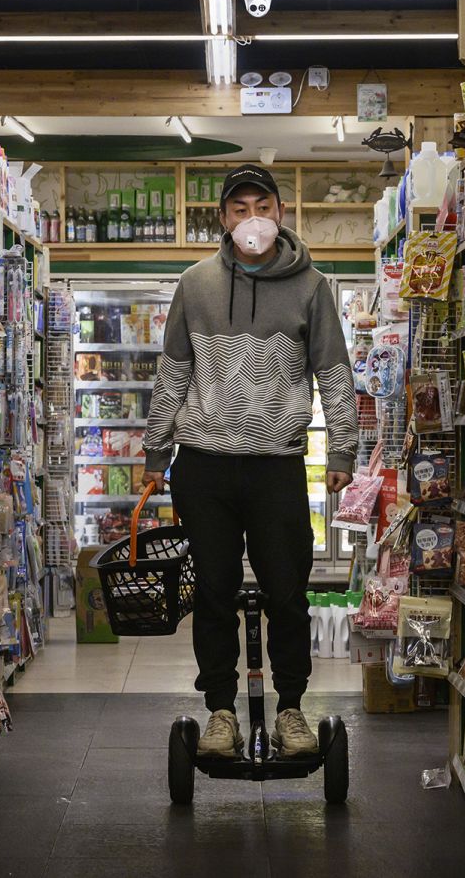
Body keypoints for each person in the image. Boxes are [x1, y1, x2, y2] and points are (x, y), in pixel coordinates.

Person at [142, 164, 359, 759]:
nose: (251, 219)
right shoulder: (194, 284)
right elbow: (174, 373)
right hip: (204, 465)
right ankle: (219, 712)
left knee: (288, 592)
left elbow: (335, 375)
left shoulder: (312, 287)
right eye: (239, 209)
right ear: (223, 218)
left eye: (261, 206)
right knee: (213, 593)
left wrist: (343, 446)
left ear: (280, 214)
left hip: (276, 467)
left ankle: (291, 709)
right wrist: (157, 450)